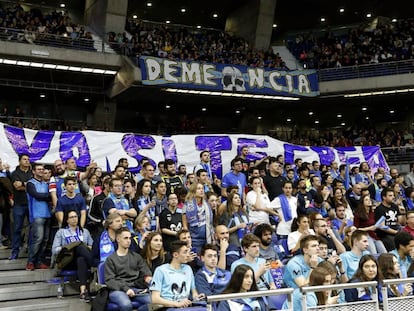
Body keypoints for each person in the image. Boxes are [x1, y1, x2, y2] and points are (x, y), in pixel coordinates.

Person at [104, 227, 152, 311]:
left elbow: (146, 273)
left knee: (153, 301)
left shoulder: (136, 256)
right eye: (125, 238)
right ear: (118, 239)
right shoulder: (111, 259)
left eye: (130, 238)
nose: (129, 240)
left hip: (136, 289)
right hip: (118, 290)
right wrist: (126, 289)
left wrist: (148, 279)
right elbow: (110, 281)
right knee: (126, 305)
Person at [150, 240, 206, 310]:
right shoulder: (161, 270)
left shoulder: (188, 269)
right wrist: (177, 304)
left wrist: (197, 297)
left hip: (185, 307)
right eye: (185, 252)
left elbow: (194, 293)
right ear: (175, 255)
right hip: (168, 307)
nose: (188, 255)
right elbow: (155, 299)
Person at [52, 210, 94, 301]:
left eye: (75, 216)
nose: (74, 219)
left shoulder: (85, 232)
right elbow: (54, 250)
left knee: (81, 259)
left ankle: (83, 291)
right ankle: (95, 265)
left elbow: (92, 246)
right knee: (78, 246)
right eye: (71, 217)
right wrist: (68, 247)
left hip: (80, 259)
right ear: (67, 220)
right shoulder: (61, 232)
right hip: (67, 261)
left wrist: (86, 247)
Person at [26, 163, 51, 270]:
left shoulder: (46, 184)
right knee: (38, 239)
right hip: (37, 215)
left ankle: (39, 261)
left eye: (42, 169)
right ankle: (31, 261)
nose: (41, 171)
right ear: (34, 171)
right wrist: (50, 196)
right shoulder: (30, 184)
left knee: (45, 240)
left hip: (47, 214)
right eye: (39, 169)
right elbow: (37, 196)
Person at [9, 153, 32, 260]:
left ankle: (31, 251)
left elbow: (32, 186)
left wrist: (23, 184)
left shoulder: (32, 173)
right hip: (19, 205)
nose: (27, 161)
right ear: (19, 161)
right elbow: (17, 187)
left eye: (28, 159)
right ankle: (15, 252)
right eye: (24, 159)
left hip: (31, 205)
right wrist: (28, 185)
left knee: (33, 228)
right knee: (17, 229)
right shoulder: (15, 173)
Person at [182, 182, 213, 251]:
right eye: (199, 189)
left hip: (207, 237)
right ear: (193, 191)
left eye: (202, 188)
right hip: (194, 239)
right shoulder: (187, 205)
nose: (201, 190)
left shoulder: (207, 205)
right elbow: (185, 225)